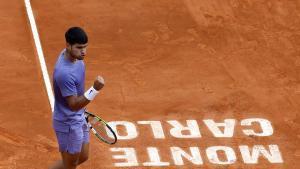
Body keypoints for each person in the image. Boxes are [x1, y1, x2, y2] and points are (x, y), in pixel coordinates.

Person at [50, 27, 104, 169]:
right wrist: (94, 90)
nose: (84, 52)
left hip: (78, 116)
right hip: (68, 123)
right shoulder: (64, 73)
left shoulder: (74, 57)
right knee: (70, 165)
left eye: (85, 47)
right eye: (79, 48)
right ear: (68, 45)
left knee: (83, 156)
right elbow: (73, 104)